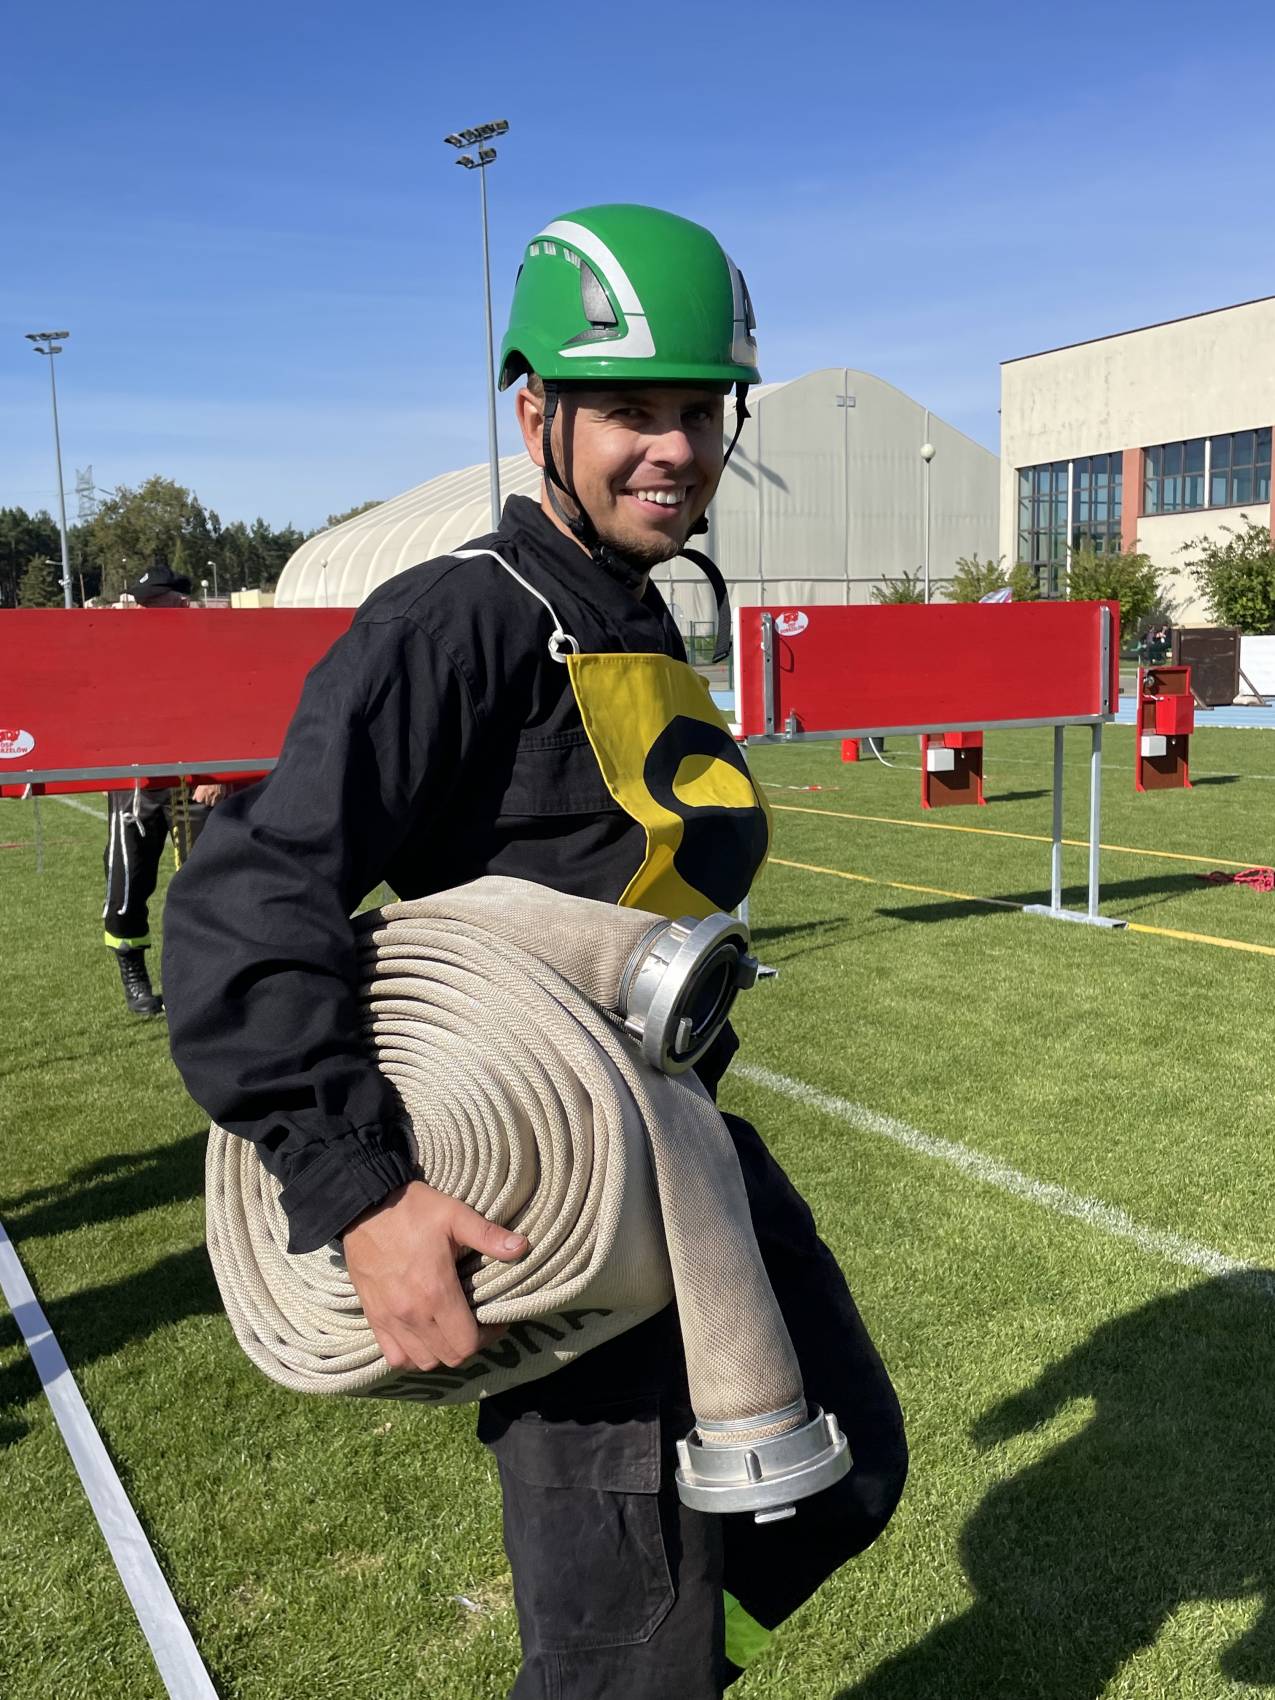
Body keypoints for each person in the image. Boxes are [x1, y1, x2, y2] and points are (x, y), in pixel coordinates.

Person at [163, 204, 907, 1699]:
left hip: (685, 1153)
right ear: (536, 416)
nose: (674, 449)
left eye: (700, 411)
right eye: (632, 411)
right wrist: (361, 1192)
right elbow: (246, 891)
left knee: (844, 1474)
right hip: (555, 1202)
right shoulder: (455, 620)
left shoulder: (633, 608)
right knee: (624, 1654)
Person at [103, 561, 229, 1015]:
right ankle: (133, 971)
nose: (146, 612)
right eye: (142, 604)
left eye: (156, 603)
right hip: (135, 784)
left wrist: (217, 775)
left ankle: (202, 977)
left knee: (207, 887)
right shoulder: (121, 650)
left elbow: (233, 711)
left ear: (182, 603)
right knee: (127, 883)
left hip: (195, 786)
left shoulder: (210, 650)